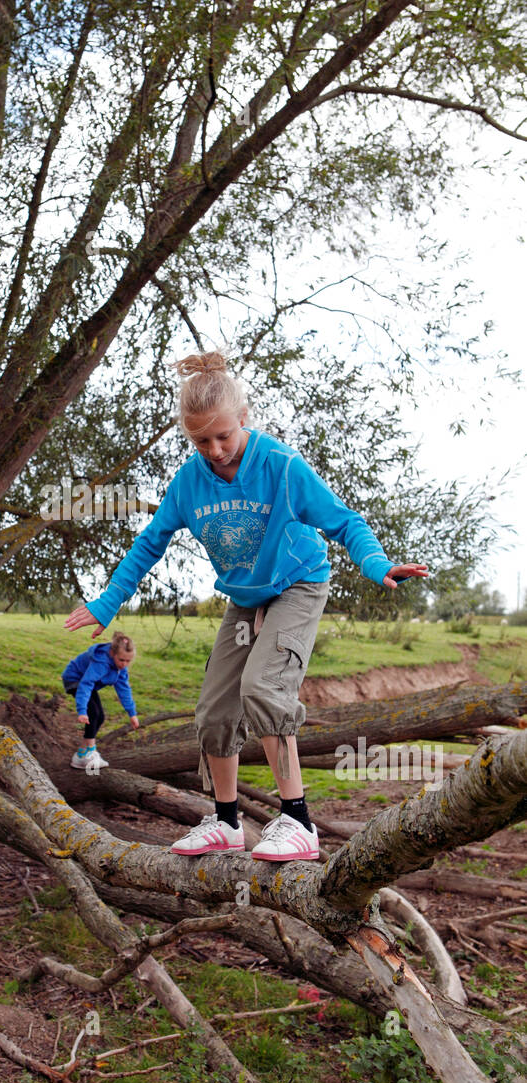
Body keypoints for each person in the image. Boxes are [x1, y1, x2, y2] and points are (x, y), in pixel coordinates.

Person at [64, 351, 428, 860]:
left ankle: (298, 822)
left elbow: (345, 521)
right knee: (214, 709)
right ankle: (226, 821)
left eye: (223, 436)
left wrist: (377, 564)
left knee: (263, 686)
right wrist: (107, 603)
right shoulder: (189, 483)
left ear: (244, 420)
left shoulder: (281, 467)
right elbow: (150, 543)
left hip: (298, 584)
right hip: (245, 597)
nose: (213, 450)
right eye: (200, 440)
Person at [62, 631, 141, 770]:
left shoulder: (121, 669)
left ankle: (81, 754)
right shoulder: (101, 662)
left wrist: (132, 713)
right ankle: (91, 751)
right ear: (112, 654)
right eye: (121, 660)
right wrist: (82, 710)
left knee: (100, 717)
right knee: (93, 714)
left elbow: (124, 690)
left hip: (87, 684)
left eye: (128, 661)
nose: (124, 664)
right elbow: (86, 684)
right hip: (75, 679)